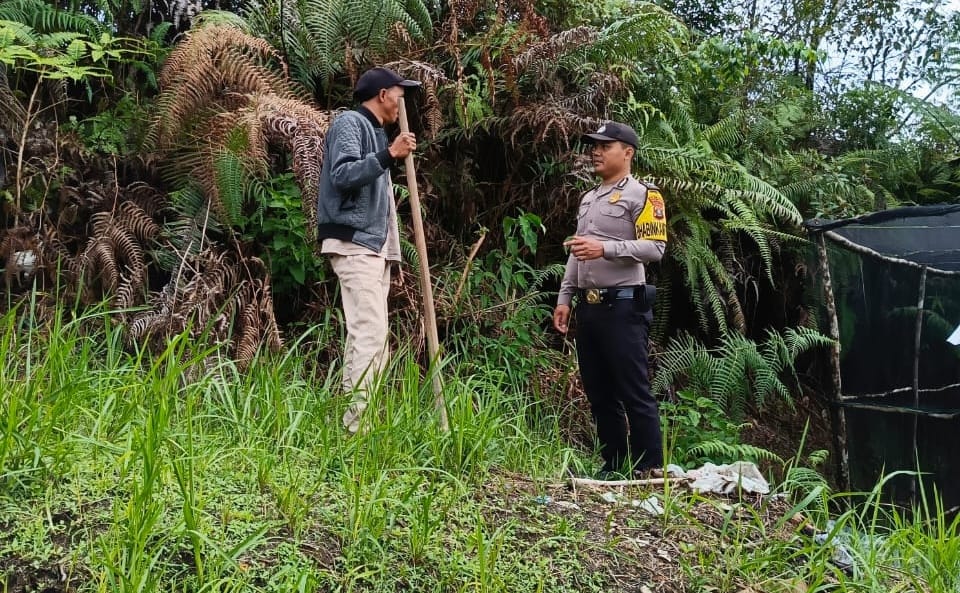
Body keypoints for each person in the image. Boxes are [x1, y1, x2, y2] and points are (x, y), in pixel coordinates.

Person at [552, 121, 668, 476]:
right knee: (599, 391)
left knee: (633, 389)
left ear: (628, 152)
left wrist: (605, 248)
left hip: (623, 306)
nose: (596, 151)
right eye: (594, 146)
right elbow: (577, 251)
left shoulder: (644, 195)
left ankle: (649, 467)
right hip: (590, 308)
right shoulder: (589, 198)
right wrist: (565, 296)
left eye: (606, 145)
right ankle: (614, 464)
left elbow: (655, 248)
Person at [316, 67, 421, 433]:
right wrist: (388, 154)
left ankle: (361, 420)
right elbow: (342, 175)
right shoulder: (350, 123)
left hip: (374, 246)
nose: (401, 102)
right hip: (353, 240)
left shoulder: (376, 133)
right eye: (399, 93)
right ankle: (355, 429)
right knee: (369, 334)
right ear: (382, 95)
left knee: (373, 338)